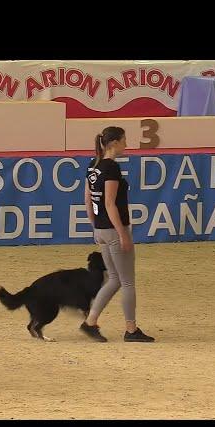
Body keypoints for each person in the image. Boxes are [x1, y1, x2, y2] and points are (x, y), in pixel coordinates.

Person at [80, 126, 155, 343]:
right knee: (127, 282)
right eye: (123, 140)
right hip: (113, 228)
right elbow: (110, 203)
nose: (126, 144)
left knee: (113, 279)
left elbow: (89, 199)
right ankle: (131, 329)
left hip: (102, 229)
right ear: (114, 143)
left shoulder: (92, 165)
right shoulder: (111, 168)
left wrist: (95, 226)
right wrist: (123, 233)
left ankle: (91, 322)